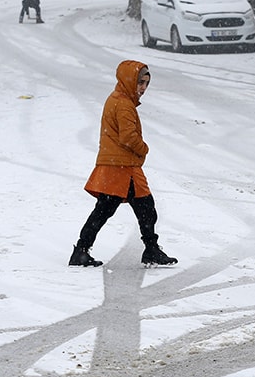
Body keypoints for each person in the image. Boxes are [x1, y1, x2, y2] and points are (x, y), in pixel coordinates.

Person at [70, 59, 177, 267]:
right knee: (143, 209)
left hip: (117, 164)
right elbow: (128, 137)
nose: (143, 88)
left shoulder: (116, 99)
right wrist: (144, 149)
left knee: (110, 210)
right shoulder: (124, 104)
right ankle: (150, 250)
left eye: (146, 84)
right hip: (122, 167)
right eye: (140, 83)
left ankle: (82, 250)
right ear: (129, 80)